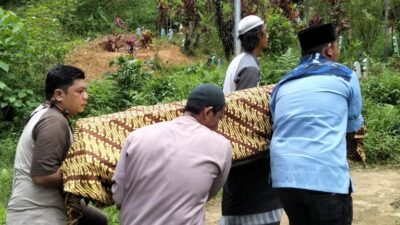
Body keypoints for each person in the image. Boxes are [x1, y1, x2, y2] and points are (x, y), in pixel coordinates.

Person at [269, 22, 363, 225]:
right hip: (324, 178)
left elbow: (277, 123)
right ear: (329, 49)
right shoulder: (345, 75)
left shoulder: (282, 84)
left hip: (284, 179)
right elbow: (353, 126)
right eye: (336, 47)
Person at [112, 84, 232, 225]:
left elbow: (118, 197)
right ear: (208, 112)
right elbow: (207, 194)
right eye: (219, 118)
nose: (218, 126)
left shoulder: (136, 136)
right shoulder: (221, 146)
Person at [6, 65, 108, 225]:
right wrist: (89, 174)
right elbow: (42, 176)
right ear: (59, 94)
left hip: (45, 205)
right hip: (36, 214)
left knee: (97, 220)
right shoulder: (54, 121)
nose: (86, 97)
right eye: (79, 91)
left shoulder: (44, 112)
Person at [221, 15, 282, 225]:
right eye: (265, 31)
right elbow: (247, 112)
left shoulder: (239, 61)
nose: (268, 35)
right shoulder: (250, 68)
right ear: (258, 35)